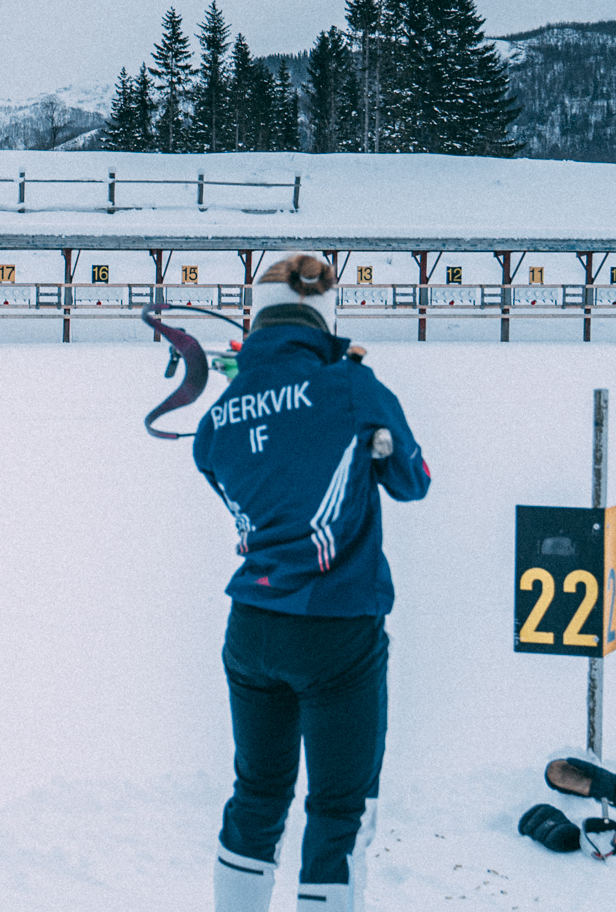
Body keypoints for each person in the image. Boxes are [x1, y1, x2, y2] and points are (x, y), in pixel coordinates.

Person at [194, 254, 430, 912]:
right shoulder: (352, 386)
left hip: (250, 626)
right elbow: (414, 482)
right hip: (335, 628)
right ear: (325, 316)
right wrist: (375, 436)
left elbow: (236, 470)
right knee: (338, 811)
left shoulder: (218, 417)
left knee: (257, 794)